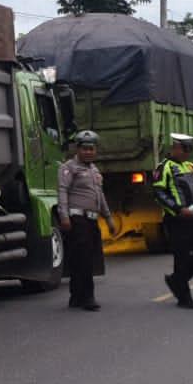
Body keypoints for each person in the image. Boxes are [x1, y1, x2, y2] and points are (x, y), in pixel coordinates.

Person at [57, 130, 111, 310]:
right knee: (83, 259)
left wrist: (108, 218)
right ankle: (87, 297)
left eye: (91, 149)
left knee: (86, 257)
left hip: (91, 220)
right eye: (85, 149)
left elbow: (100, 195)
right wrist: (64, 216)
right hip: (77, 219)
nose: (88, 152)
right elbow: (62, 191)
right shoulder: (68, 167)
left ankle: (76, 297)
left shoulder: (94, 170)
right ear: (78, 149)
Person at [153, 133, 193, 310]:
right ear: (176, 148)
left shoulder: (190, 166)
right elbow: (158, 193)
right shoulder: (164, 167)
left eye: (189, 150)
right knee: (182, 258)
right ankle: (184, 297)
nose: (187, 153)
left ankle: (177, 281)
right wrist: (178, 209)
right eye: (184, 149)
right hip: (177, 220)